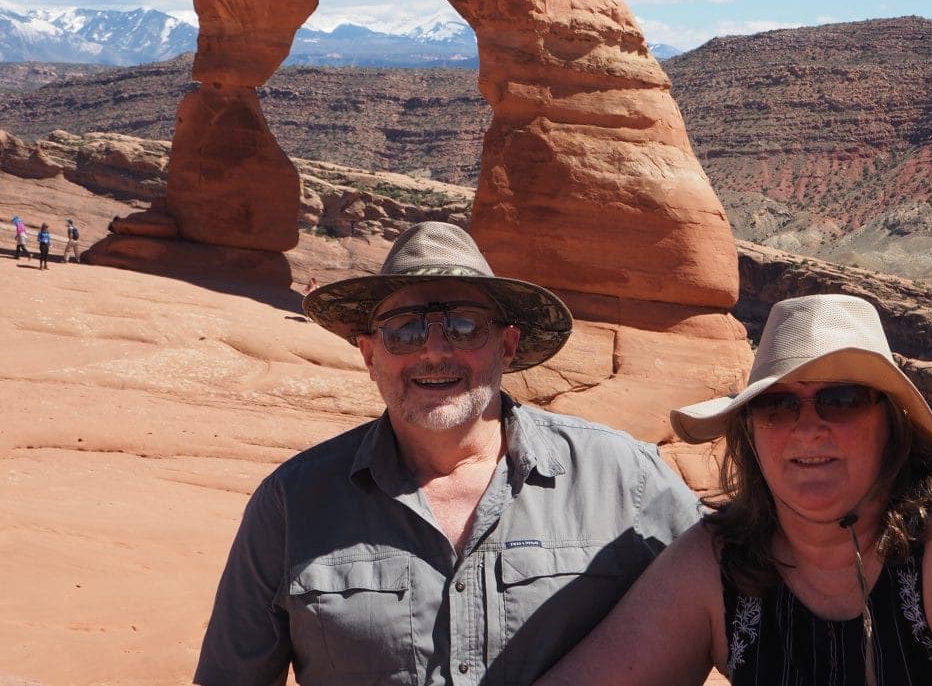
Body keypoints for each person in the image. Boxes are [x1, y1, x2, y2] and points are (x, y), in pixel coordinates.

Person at [195, 221, 701, 686]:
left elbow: (740, 604)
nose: (434, 351)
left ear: (506, 345)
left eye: (463, 325)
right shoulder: (291, 503)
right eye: (404, 330)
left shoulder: (623, 478)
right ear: (371, 355)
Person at [539, 294, 932, 686]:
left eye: (844, 398)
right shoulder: (719, 562)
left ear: (892, 424)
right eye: (778, 404)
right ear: (750, 430)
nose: (807, 428)